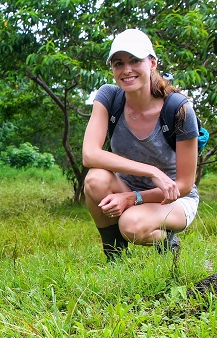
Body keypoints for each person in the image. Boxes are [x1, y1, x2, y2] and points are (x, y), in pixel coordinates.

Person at [82, 28, 200, 262]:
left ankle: (167, 243)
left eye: (135, 60)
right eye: (118, 63)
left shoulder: (178, 108)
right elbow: (89, 154)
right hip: (127, 186)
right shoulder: (109, 97)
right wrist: (151, 171)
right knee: (95, 179)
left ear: (152, 63)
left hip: (173, 199)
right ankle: (115, 257)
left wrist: (133, 198)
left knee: (131, 224)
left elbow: (184, 185)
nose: (126, 70)